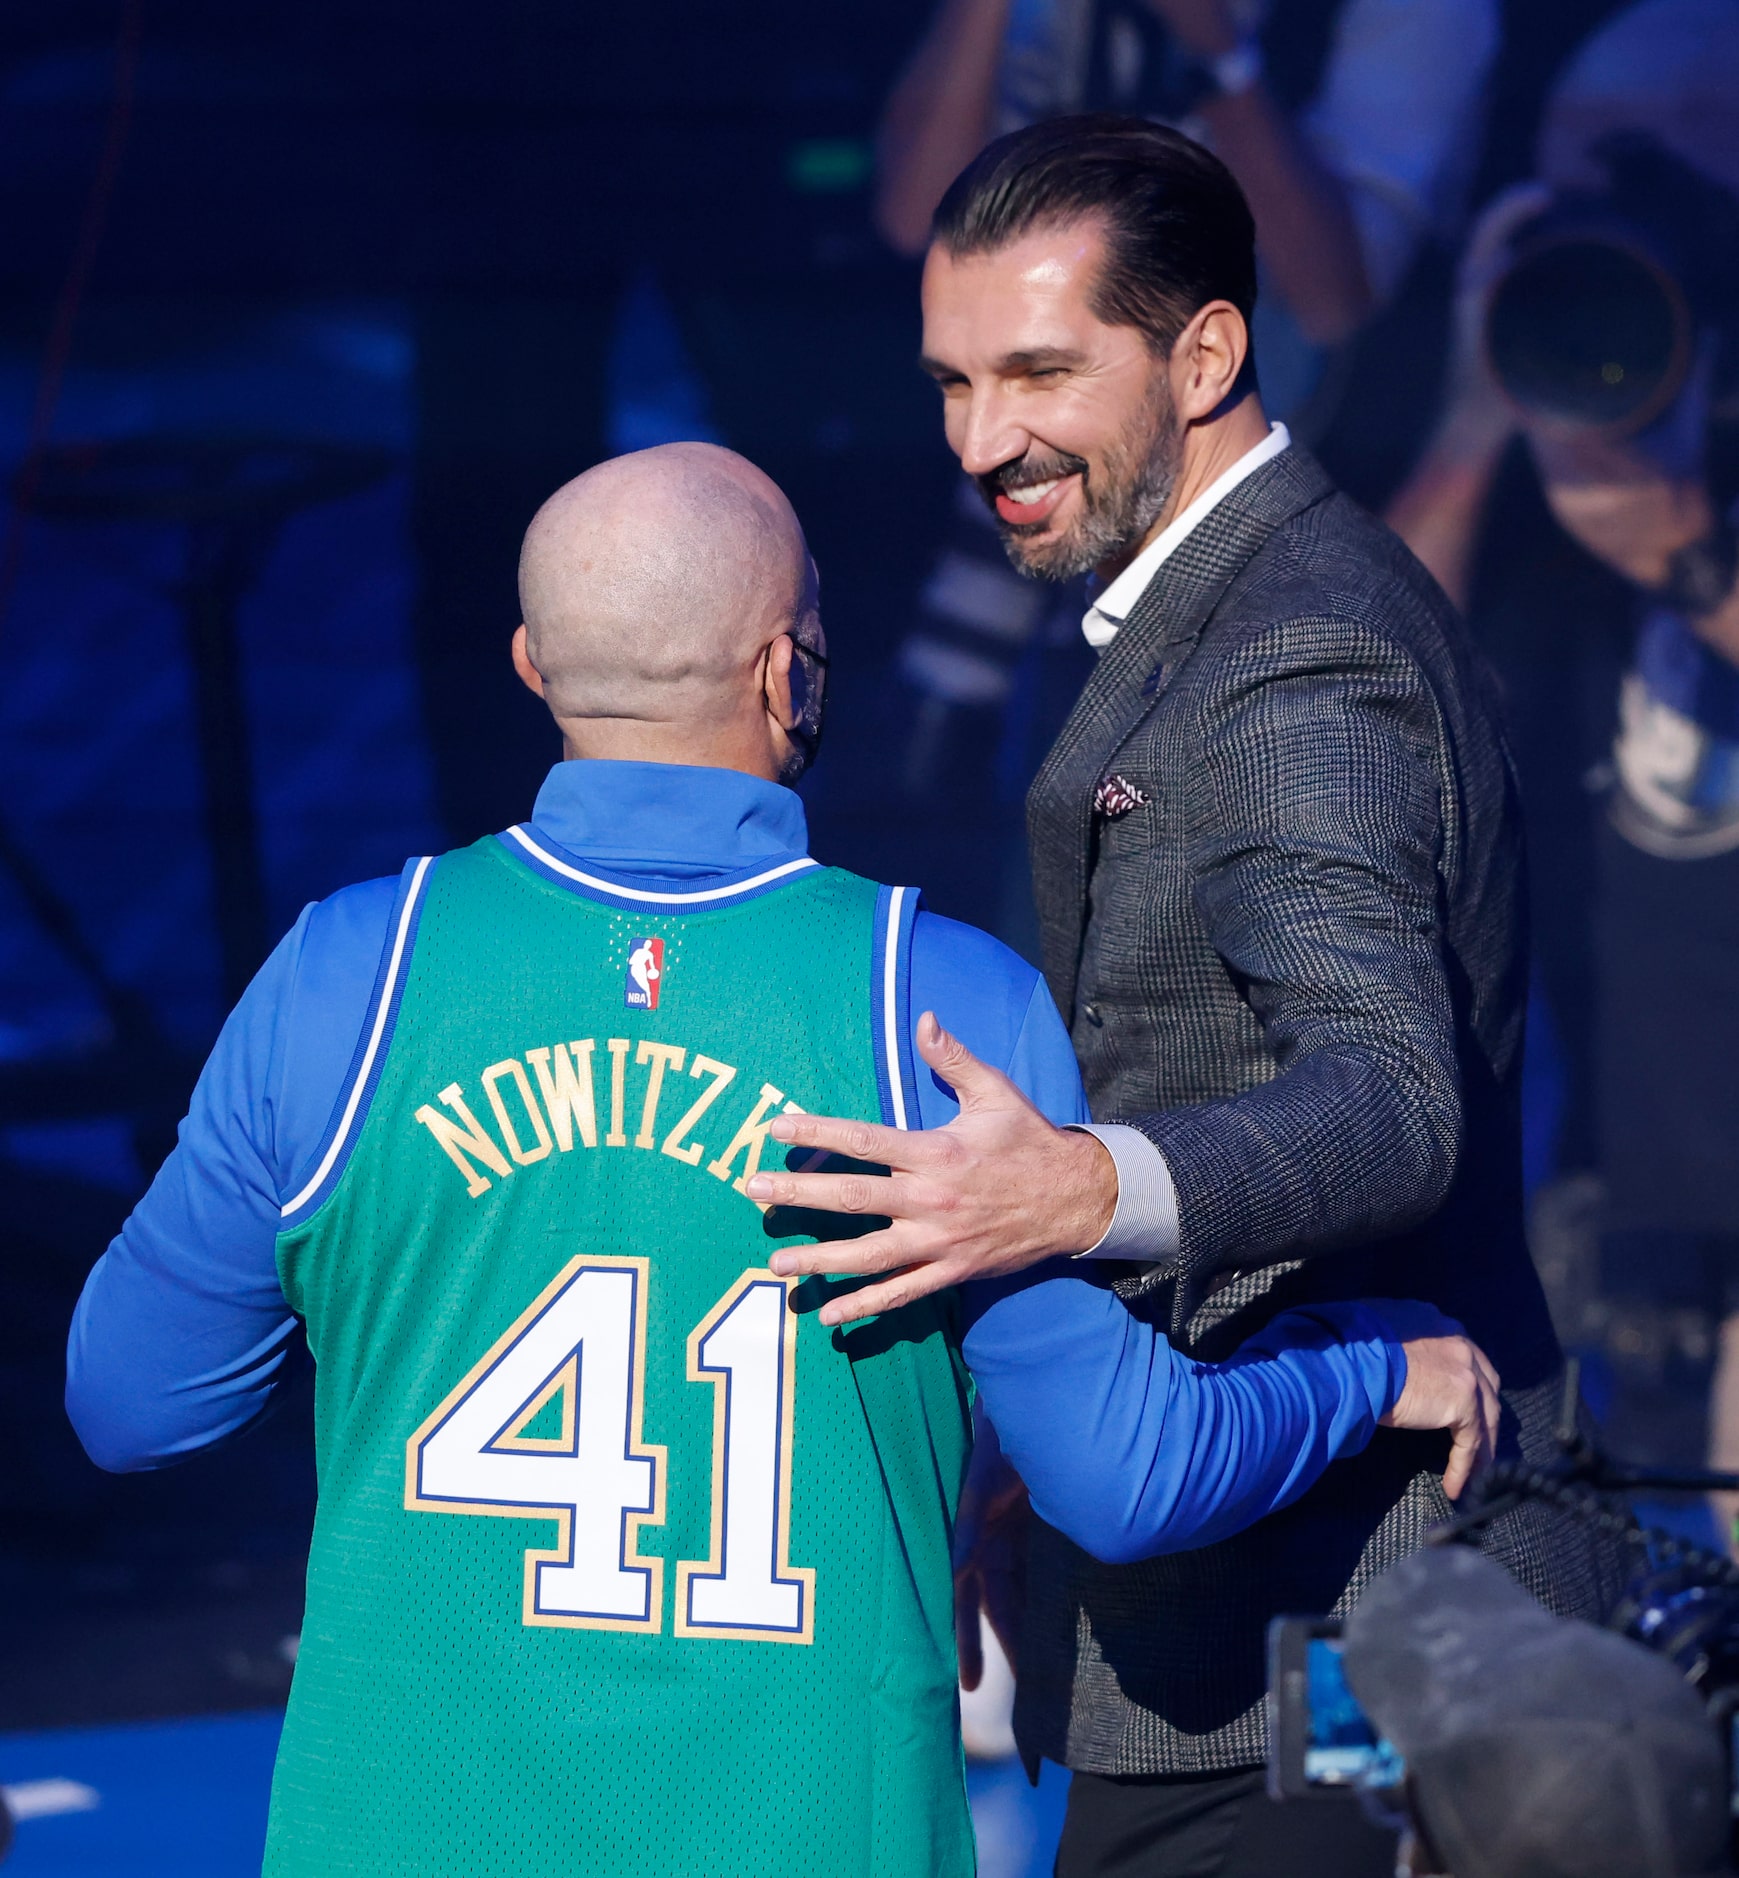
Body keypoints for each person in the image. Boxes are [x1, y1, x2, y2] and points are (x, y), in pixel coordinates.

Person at [65, 442, 1496, 1877]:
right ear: (784, 673)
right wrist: (1368, 1361)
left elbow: (131, 1401)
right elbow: (1127, 1478)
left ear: (528, 662)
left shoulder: (345, 977)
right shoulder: (931, 1007)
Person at [748, 121, 1622, 1877]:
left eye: (1036, 373)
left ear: (1204, 353)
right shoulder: (1208, 614)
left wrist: (1075, 1185)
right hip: (1246, 1629)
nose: (978, 439)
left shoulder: (1297, 650)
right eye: (949, 380)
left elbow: (1387, 1098)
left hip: (1339, 1643)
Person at [1384, 0, 1739, 1543]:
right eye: (1580, 159)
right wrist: (1476, 410)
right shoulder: (1537, 394)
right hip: (1592, 1219)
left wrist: (1686, 558)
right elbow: (1358, 696)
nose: (1616, 192)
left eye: (1660, 159)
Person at [875, 0, 1500, 796]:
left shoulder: (1411, 17)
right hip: (1011, 605)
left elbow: (1332, 298)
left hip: (1277, 580)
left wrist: (1219, 54)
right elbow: (913, 216)